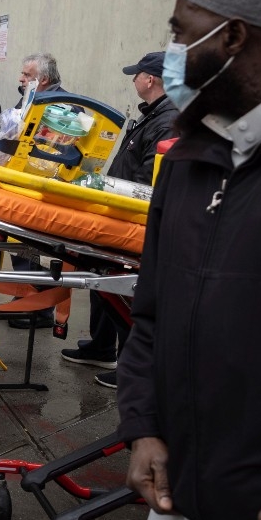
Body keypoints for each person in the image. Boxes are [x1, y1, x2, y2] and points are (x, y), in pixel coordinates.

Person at [118, 0, 261, 520]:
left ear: (232, 38)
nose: (174, 49)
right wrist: (144, 427)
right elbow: (151, 312)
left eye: (182, 31)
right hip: (178, 498)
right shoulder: (192, 150)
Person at [60, 51, 176, 389]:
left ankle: (128, 366)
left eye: (136, 74)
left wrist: (109, 191)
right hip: (119, 211)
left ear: (150, 79)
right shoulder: (154, 114)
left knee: (121, 288)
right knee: (102, 282)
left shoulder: (165, 120)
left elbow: (147, 181)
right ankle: (100, 346)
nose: (133, 79)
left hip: (132, 220)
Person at [5, 51, 69, 330]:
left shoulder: (64, 106)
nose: (21, 78)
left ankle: (40, 308)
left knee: (32, 248)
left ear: (42, 79)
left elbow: (56, 149)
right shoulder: (31, 97)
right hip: (22, 183)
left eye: (26, 75)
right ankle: (29, 300)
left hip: (42, 188)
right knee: (20, 248)